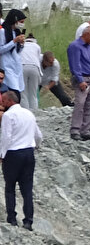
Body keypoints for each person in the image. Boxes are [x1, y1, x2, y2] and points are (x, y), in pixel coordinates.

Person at [0, 90, 40, 230]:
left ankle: (12, 218)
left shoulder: (8, 115)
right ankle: (28, 220)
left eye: (3, 101)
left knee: (10, 187)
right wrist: (35, 146)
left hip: (13, 153)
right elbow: (38, 135)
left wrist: (2, 154)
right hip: (29, 153)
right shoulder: (29, 114)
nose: (2, 104)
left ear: (10, 101)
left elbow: (6, 137)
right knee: (27, 189)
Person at [67, 26, 90, 141]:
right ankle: (75, 129)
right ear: (86, 34)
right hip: (82, 79)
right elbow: (75, 65)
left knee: (89, 105)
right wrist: (80, 80)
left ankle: (85, 130)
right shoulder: (75, 46)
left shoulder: (89, 48)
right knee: (80, 104)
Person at [0, 10, 28, 101]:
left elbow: (17, 50)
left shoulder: (16, 31)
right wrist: (14, 41)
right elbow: (1, 49)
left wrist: (21, 44)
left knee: (18, 92)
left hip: (16, 64)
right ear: (15, 20)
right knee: (14, 93)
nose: (22, 24)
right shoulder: (3, 31)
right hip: (6, 65)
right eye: (21, 22)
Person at [19, 31, 42, 110]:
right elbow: (38, 58)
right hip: (35, 68)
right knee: (33, 93)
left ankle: (25, 112)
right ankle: (34, 113)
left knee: (23, 93)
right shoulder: (37, 46)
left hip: (23, 67)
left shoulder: (22, 44)